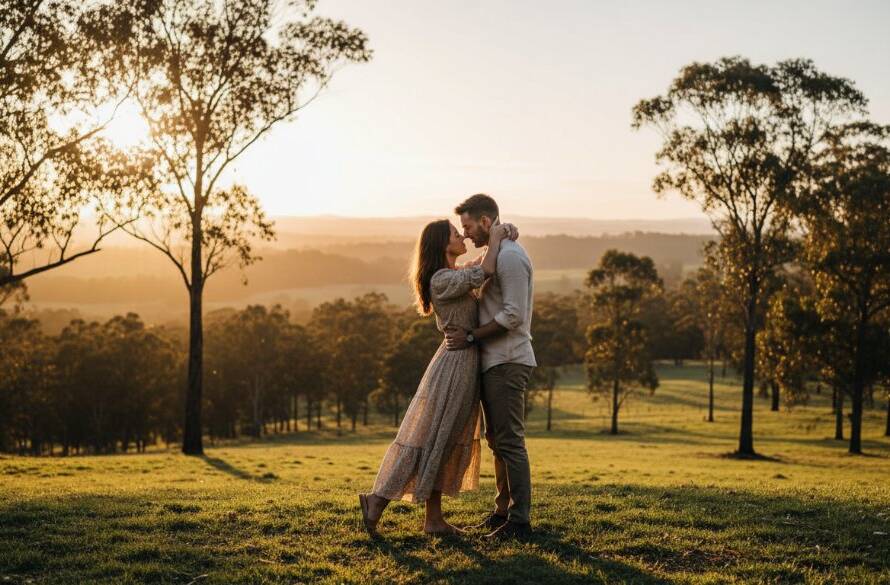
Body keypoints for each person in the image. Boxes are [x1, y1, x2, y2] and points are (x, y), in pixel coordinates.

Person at [358, 218, 517, 536]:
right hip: (454, 366)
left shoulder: (451, 274)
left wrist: (502, 234)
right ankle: (376, 500)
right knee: (434, 439)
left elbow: (479, 263)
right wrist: (496, 236)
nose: (462, 237)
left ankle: (433, 520)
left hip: (462, 363)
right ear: (442, 245)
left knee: (442, 440)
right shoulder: (442, 279)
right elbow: (483, 271)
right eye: (456, 234)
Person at [445, 193, 537, 540]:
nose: (466, 234)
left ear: (486, 222)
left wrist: (471, 337)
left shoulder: (511, 257)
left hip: (508, 360)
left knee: (510, 441)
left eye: (468, 226)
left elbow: (513, 315)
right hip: (494, 361)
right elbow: (475, 272)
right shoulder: (495, 253)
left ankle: (519, 520)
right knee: (497, 440)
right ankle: (502, 511)